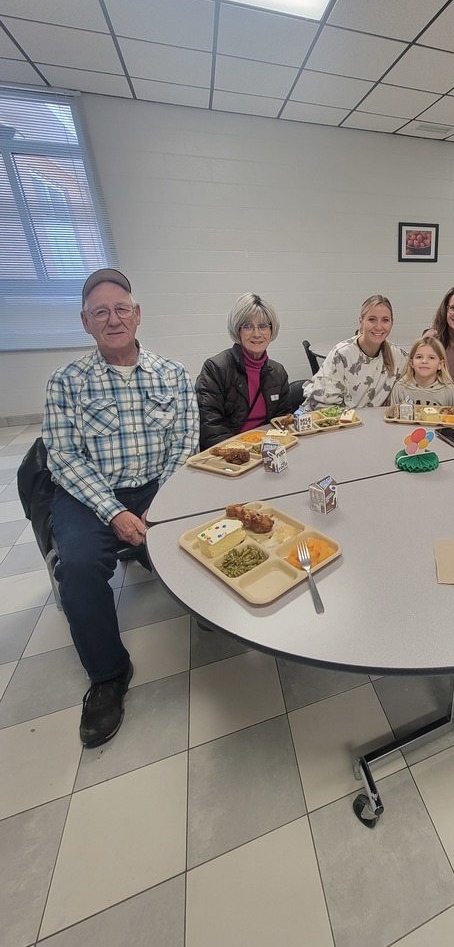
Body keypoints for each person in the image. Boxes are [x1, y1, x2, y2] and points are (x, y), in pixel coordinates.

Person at [42, 268, 199, 748]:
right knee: (81, 566)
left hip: (157, 486)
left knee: (207, 533)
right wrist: (114, 512)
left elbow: (186, 443)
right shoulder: (65, 383)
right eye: (100, 313)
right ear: (86, 323)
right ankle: (109, 675)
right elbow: (64, 457)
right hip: (90, 495)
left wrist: (158, 506)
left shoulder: (172, 373)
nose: (113, 319)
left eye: (121, 309)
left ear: (137, 314)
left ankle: (211, 611)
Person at [196, 294, 291, 449]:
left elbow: (282, 423)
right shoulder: (215, 369)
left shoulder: (278, 372)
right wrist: (245, 452)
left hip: (269, 450)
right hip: (233, 455)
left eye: (263, 326)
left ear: (271, 330)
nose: (256, 334)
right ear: (237, 330)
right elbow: (210, 430)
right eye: (247, 326)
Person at [301, 294, 408, 409]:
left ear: (392, 322)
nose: (378, 326)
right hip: (324, 421)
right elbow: (323, 406)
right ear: (361, 321)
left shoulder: (398, 357)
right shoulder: (342, 355)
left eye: (385, 320)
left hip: (369, 423)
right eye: (372, 319)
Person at [390, 337, 454, 407]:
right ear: (411, 363)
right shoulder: (400, 388)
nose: (424, 361)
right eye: (419, 357)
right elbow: (393, 416)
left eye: (431, 358)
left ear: (440, 364)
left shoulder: (450, 391)